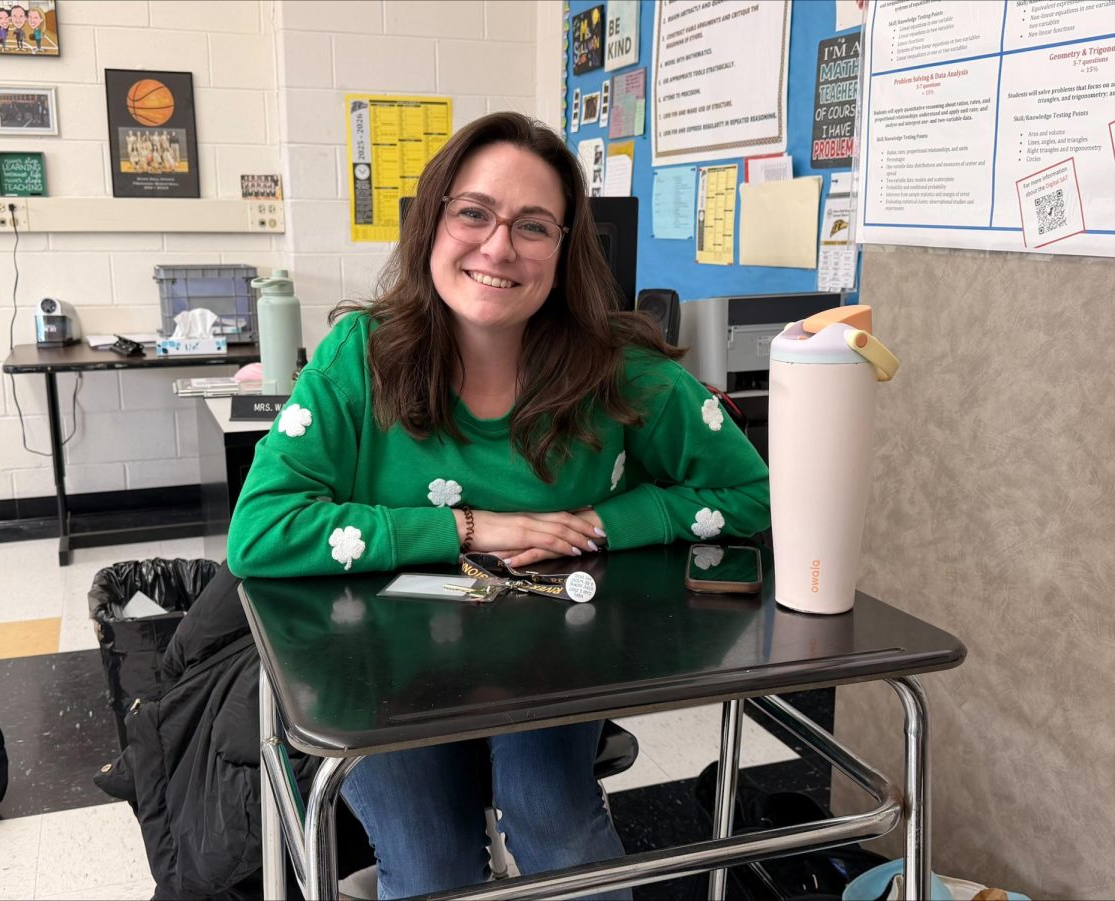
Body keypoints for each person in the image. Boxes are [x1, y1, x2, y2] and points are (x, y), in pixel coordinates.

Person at [227, 111, 769, 899]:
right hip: (383, 669)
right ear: (433, 221)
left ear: (566, 247)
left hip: (548, 663)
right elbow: (260, 532)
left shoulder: (618, 368)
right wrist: (471, 527)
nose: (498, 246)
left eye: (534, 225)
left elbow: (751, 492)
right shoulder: (361, 357)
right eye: (473, 212)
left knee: (556, 819)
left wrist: (606, 522)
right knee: (434, 859)